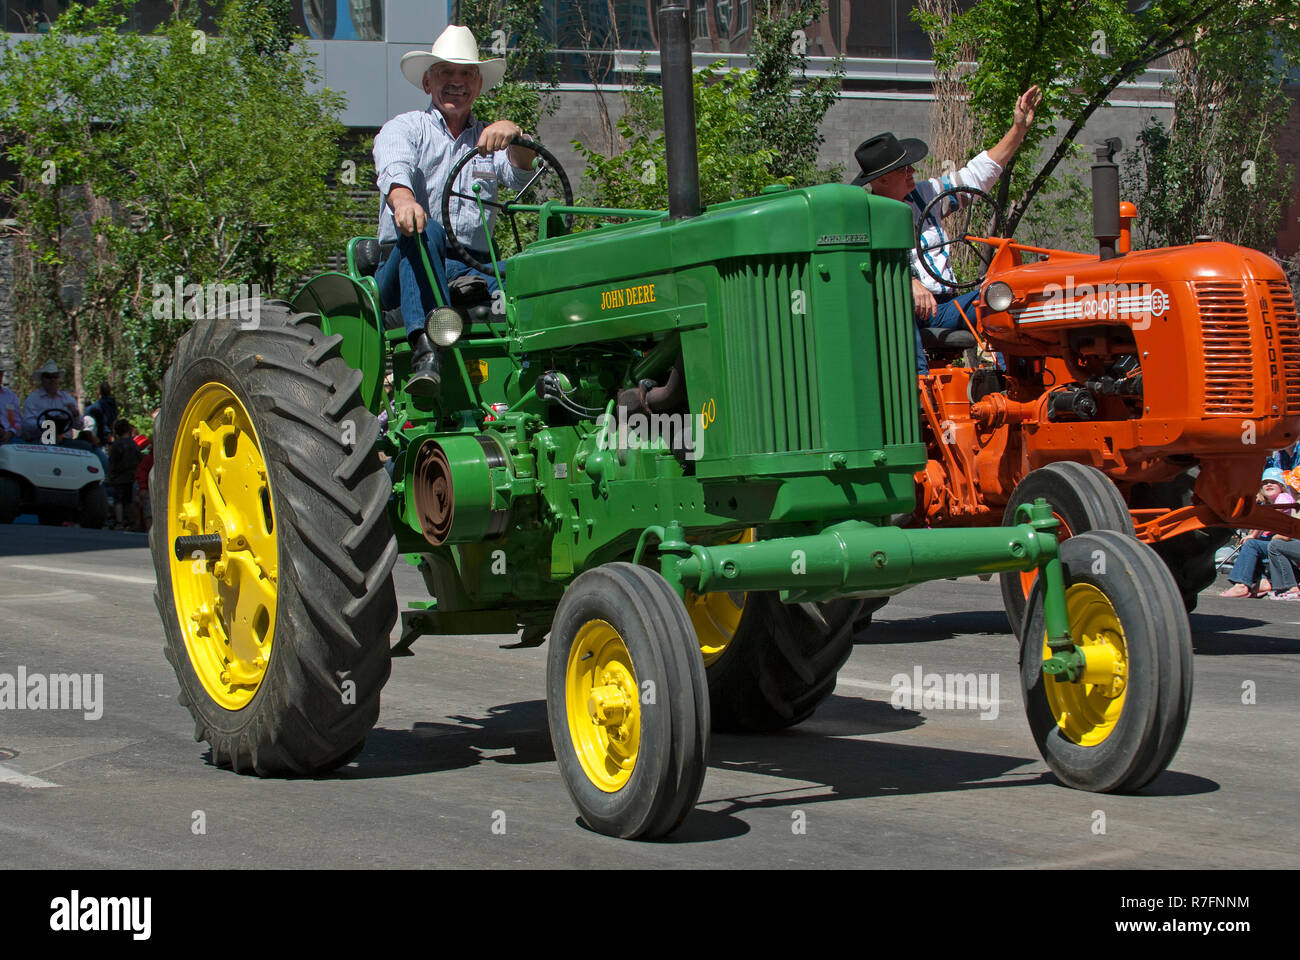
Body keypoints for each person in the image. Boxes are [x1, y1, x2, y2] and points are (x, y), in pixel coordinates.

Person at [373, 24, 537, 397]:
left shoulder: (491, 139)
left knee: (531, 273)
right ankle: (428, 353)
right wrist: (403, 201)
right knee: (424, 229)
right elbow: (393, 165)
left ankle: (539, 373)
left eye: (466, 74)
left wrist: (515, 134)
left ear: (478, 85)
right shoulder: (406, 128)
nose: (456, 82)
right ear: (428, 83)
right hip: (404, 263)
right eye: (446, 72)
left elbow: (520, 169)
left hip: (473, 266)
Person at [851, 85, 1042, 373]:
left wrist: (1018, 130)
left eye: (910, 166)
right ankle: (919, 392)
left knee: (1000, 297)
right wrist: (904, 282)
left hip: (944, 308)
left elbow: (976, 177)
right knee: (897, 305)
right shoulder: (862, 218)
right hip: (902, 310)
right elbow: (864, 270)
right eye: (904, 169)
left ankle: (1018, 386)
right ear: (883, 180)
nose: (913, 171)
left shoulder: (927, 195)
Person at [1220, 468, 1296, 597]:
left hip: (1287, 542)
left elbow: (1271, 515)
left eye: (1273, 482)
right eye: (1265, 482)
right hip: (1275, 541)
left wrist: (1253, 534)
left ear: (1281, 486)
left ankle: (1241, 584)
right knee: (1252, 544)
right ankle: (1262, 581)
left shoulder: (1284, 498)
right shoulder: (1265, 504)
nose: (1269, 485)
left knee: (1252, 544)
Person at [21, 360, 80, 441]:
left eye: (55, 377)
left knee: (88, 446)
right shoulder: (33, 399)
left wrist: (75, 414)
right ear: (42, 379)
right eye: (48, 377)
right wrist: (49, 425)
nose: (52, 380)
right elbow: (27, 424)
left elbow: (79, 426)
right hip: (40, 441)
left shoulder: (68, 399)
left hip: (65, 442)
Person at [108, 419, 143, 530]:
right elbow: (139, 458)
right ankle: (132, 521)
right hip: (131, 475)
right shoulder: (133, 444)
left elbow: (112, 461)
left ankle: (119, 522)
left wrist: (110, 475)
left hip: (119, 476)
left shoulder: (116, 445)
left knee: (118, 500)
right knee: (129, 500)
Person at [86, 382, 118, 447]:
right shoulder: (113, 404)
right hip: (111, 434)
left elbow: (89, 412)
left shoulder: (98, 405)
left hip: (102, 437)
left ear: (99, 392)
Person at [0, 367, 21, 443]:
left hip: (8, 438)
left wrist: (10, 432)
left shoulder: (10, 396)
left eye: (0, 374)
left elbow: (18, 422)